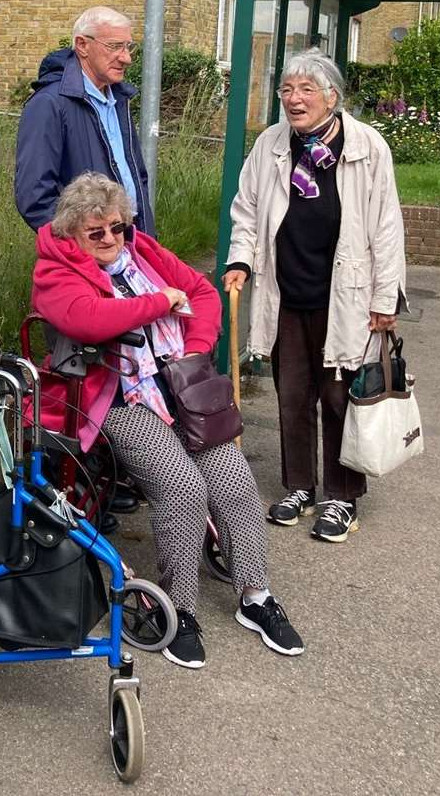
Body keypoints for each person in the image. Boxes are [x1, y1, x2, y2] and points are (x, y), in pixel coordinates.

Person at [30, 172, 305, 669]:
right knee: (181, 487)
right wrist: (160, 301)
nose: (112, 239)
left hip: (179, 387)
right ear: (73, 233)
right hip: (115, 397)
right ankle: (178, 607)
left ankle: (255, 594)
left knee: (235, 482)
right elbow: (87, 317)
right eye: (97, 233)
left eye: (118, 227)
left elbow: (200, 293)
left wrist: (194, 352)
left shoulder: (145, 252)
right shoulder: (55, 270)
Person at [223, 48, 406, 544]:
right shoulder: (271, 144)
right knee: (292, 395)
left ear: (331, 97)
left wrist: (385, 299)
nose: (294, 99)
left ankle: (342, 497)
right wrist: (240, 259)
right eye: (286, 90)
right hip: (287, 291)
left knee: (339, 396)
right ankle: (299, 486)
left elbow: (387, 226)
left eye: (306, 90)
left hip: (344, 295)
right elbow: (247, 208)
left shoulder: (367, 146)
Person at [15, 5, 154, 236]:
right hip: (88, 251)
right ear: (82, 45)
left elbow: (137, 177)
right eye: (115, 46)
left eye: (128, 47)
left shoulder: (119, 98)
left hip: (131, 241)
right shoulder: (49, 103)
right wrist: (83, 244)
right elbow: (34, 196)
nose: (126, 58)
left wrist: (147, 237)